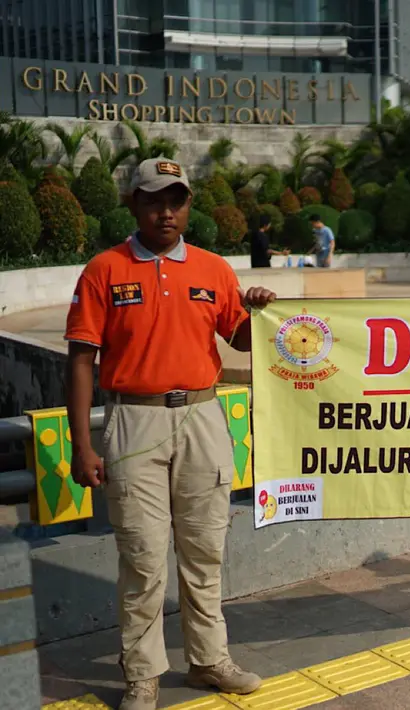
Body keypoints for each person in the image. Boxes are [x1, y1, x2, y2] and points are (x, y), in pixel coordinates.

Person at [64, 159, 276, 710]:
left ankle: (208, 660)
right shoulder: (104, 270)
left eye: (177, 201)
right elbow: (82, 360)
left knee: (206, 550)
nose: (167, 212)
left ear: (188, 207)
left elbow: (242, 340)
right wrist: (82, 443)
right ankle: (143, 674)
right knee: (142, 557)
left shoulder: (213, 270)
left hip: (204, 417)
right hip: (135, 421)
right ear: (133, 203)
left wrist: (256, 312)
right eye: (155, 200)